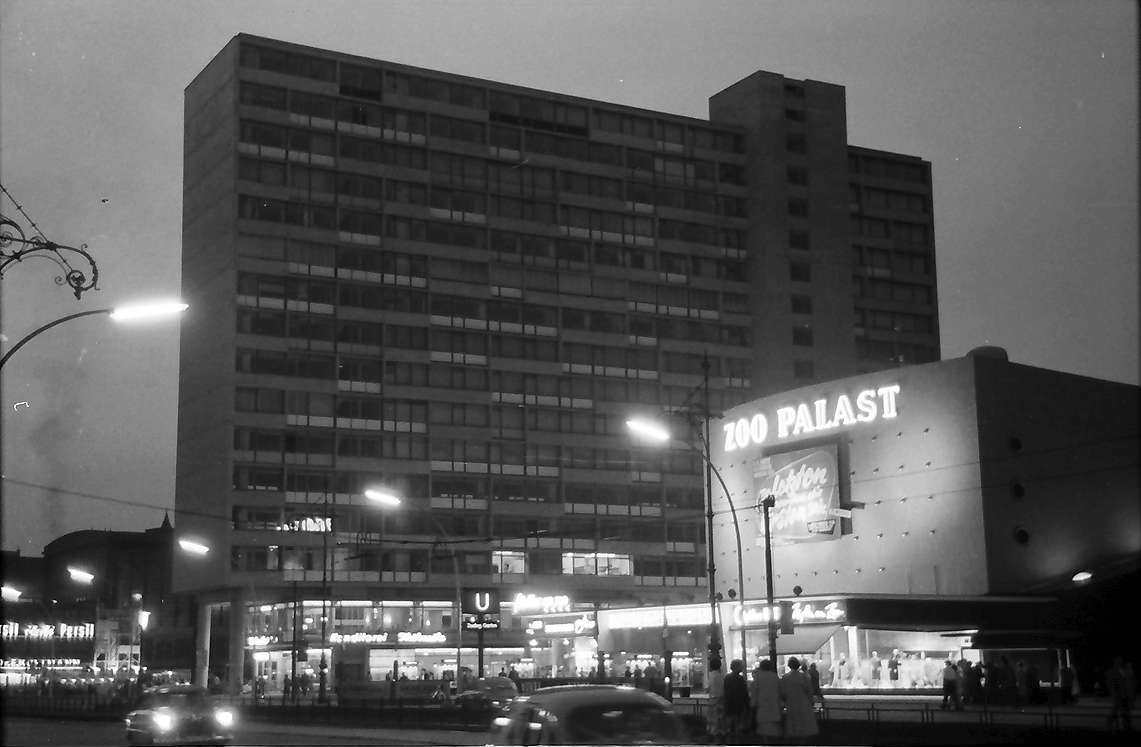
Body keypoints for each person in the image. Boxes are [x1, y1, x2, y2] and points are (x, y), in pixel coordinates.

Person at [779, 657, 819, 744]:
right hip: (804, 703)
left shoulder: (785, 677)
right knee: (804, 726)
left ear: (789, 666)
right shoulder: (804, 677)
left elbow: (782, 693)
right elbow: (810, 691)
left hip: (791, 703)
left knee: (793, 726)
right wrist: (811, 702)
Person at [751, 659, 782, 743]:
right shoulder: (775, 677)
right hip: (774, 706)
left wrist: (753, 704)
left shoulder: (757, 677)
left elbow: (754, 693)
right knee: (774, 730)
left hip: (762, 707)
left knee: (764, 730)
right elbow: (780, 691)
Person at [723, 659, 751, 741]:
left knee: (730, 724)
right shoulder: (740, 678)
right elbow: (744, 693)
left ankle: (730, 740)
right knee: (737, 724)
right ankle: (736, 741)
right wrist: (747, 705)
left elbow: (726, 691)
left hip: (729, 704)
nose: (742, 668)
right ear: (737, 667)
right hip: (738, 704)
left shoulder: (727, 677)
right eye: (741, 666)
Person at [1106, 657, 1134, 731]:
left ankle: (1126, 725)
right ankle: (1111, 724)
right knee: (1116, 711)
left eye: (1120, 661)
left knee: (1125, 711)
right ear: (1115, 662)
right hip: (1118, 695)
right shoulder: (1112, 672)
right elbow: (1111, 685)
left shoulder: (1123, 670)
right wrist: (1114, 694)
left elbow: (1125, 683)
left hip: (1124, 695)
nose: (1120, 663)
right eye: (1118, 661)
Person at [705, 657, 727, 743]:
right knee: (719, 719)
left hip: (712, 699)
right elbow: (723, 689)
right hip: (720, 699)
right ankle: (719, 737)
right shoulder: (721, 676)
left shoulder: (710, 676)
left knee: (712, 719)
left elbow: (707, 688)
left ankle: (711, 735)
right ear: (719, 666)